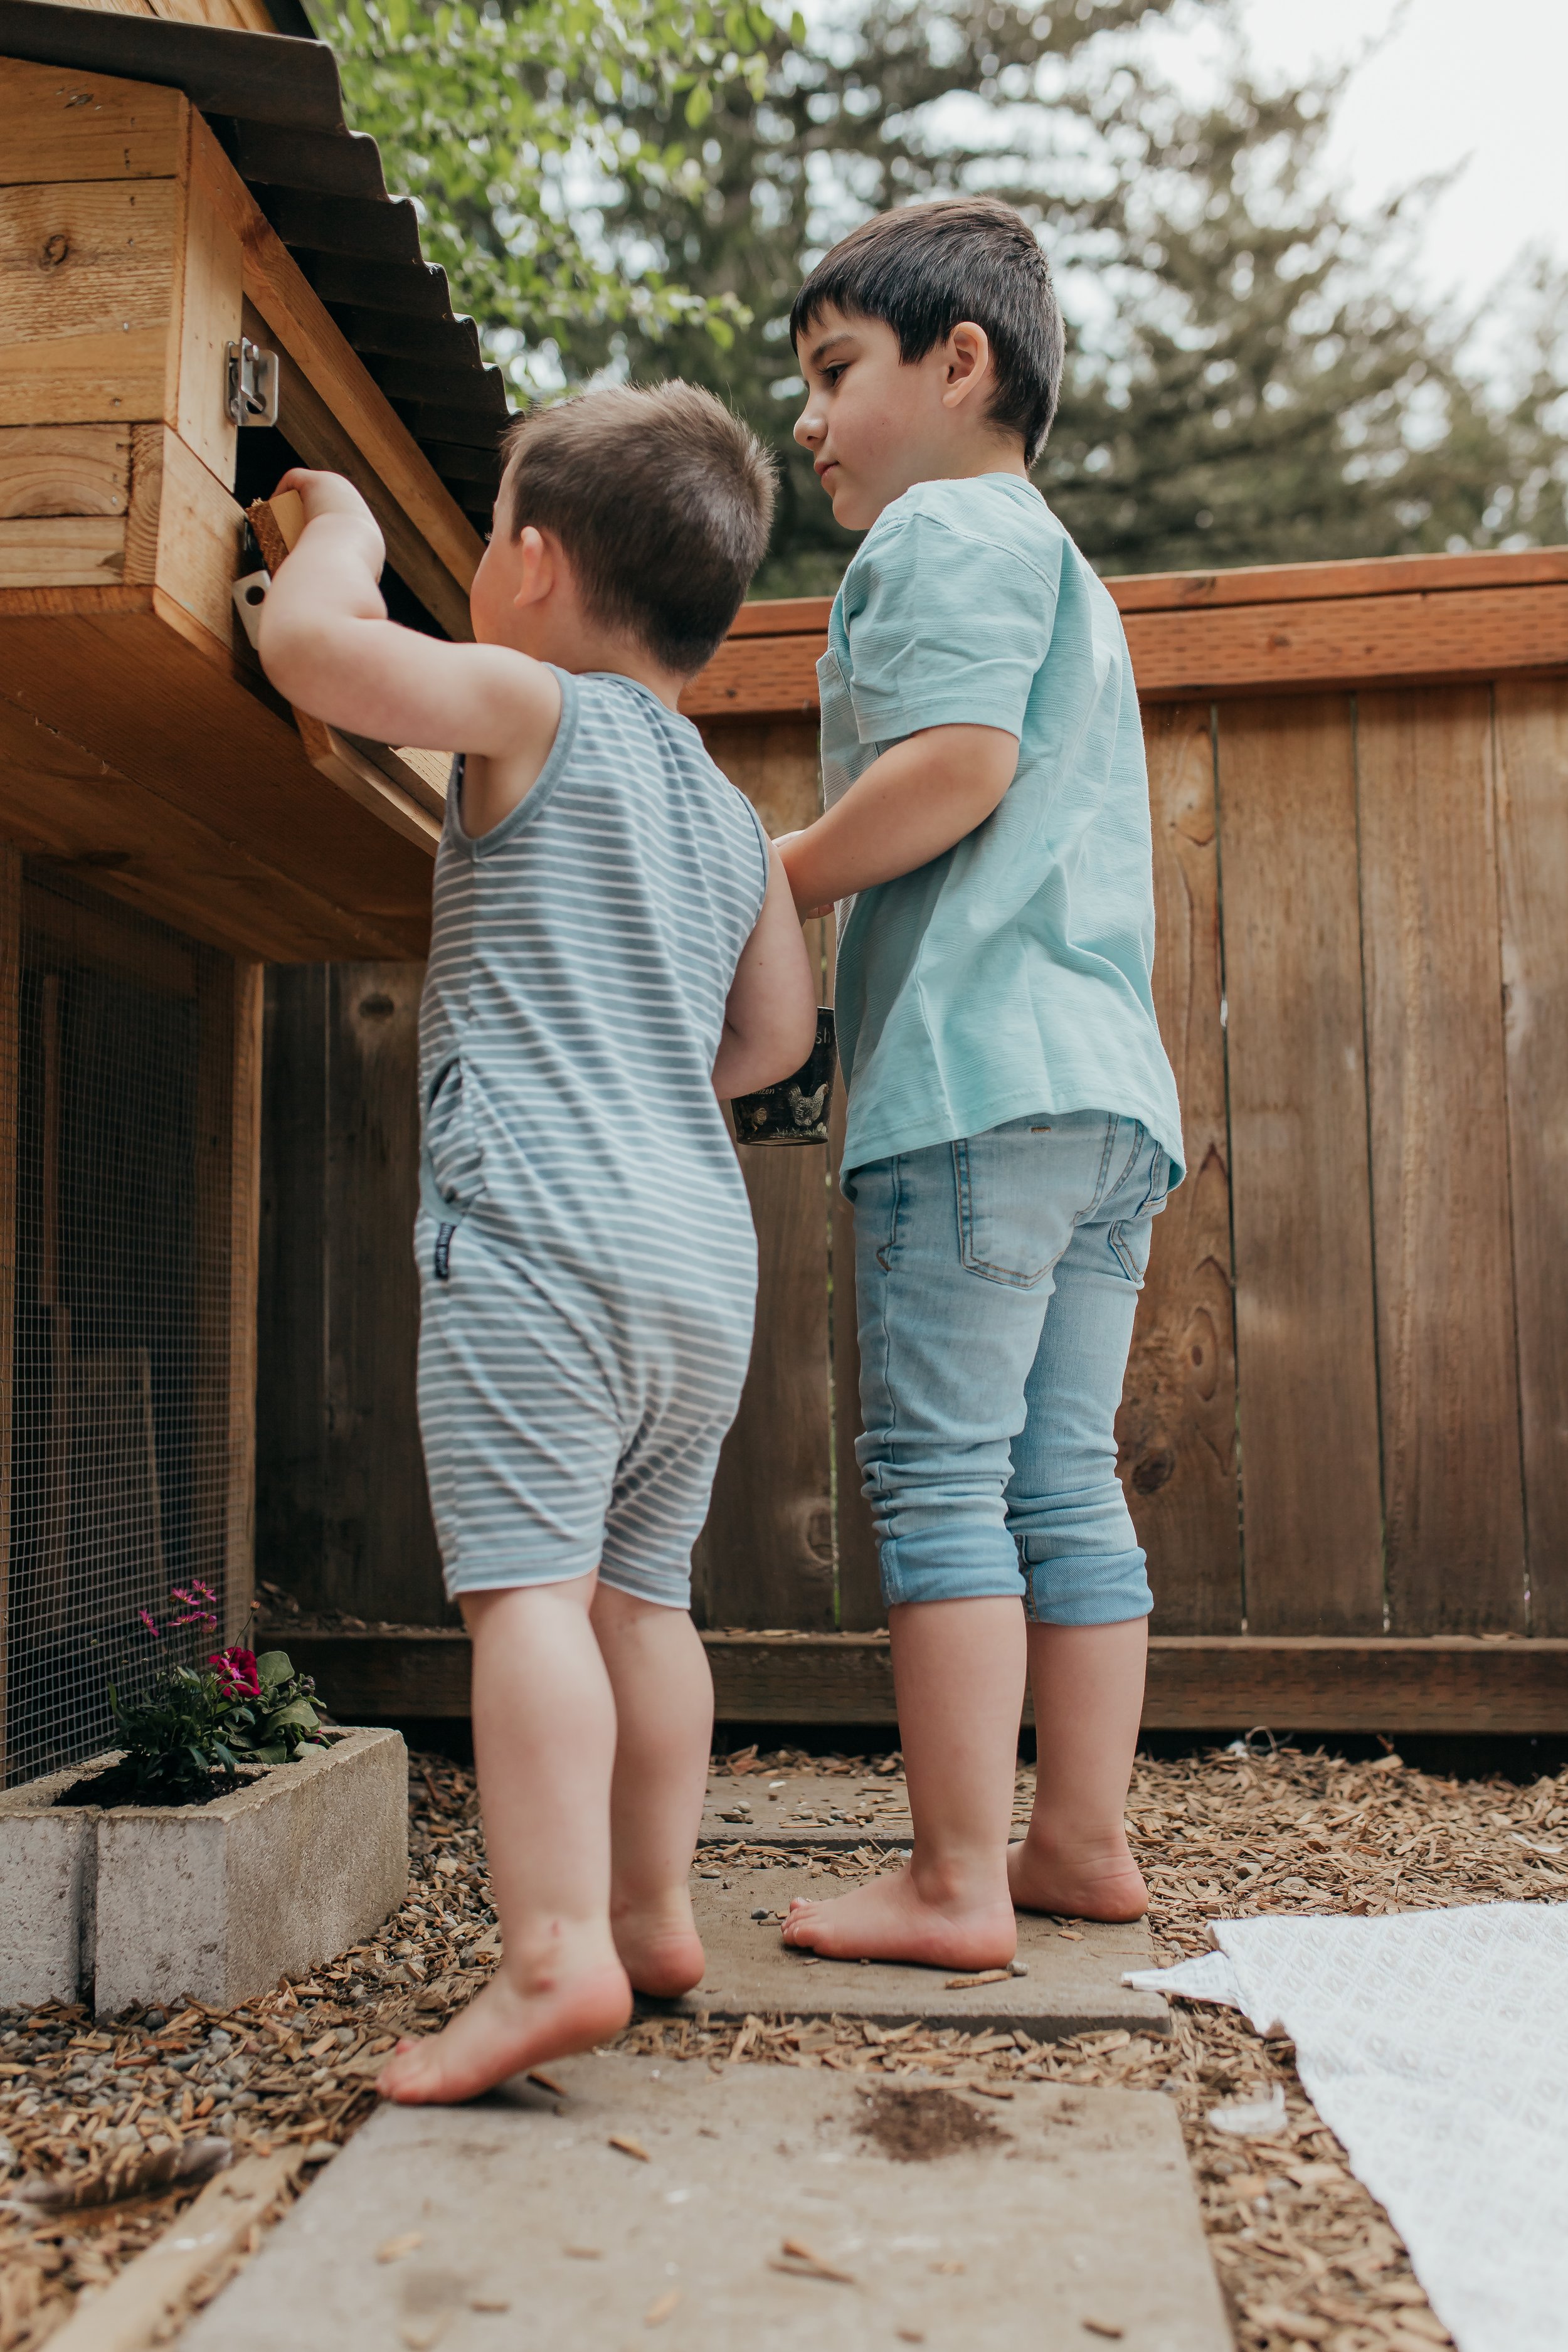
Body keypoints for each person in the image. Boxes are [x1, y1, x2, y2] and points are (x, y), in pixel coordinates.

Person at [257, 383, 818, 2101]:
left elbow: (316, 663)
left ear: (529, 558)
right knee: (644, 1607)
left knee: (525, 1606)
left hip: (539, 1245)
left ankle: (553, 1954)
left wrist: (334, 532)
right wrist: (647, 1058)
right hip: (696, 1263)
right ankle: (650, 1913)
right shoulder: (731, 821)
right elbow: (775, 1044)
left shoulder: (521, 702)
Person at [775, 199, 1185, 1970]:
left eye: (831, 371)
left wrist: (768, 876)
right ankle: (1075, 1843)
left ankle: (951, 1882)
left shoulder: (940, 527)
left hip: (969, 1083)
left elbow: (948, 771)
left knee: (938, 1480)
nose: (806, 420)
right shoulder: (1060, 568)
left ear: (963, 364)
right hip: (1104, 1104)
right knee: (1059, 1478)